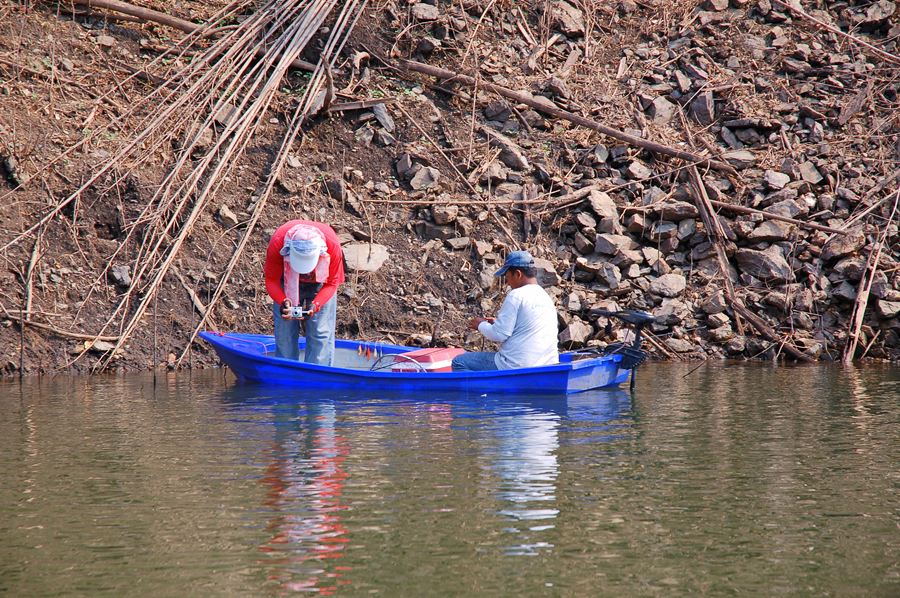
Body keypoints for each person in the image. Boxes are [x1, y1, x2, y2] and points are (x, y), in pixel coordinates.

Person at [452, 250, 559, 372]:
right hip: (547, 365)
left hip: (516, 365)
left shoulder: (516, 295)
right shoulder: (545, 296)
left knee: (459, 362)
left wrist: (480, 325)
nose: (507, 282)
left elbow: (499, 335)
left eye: (507, 277)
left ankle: (485, 390)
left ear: (518, 274)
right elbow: (527, 327)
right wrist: (497, 323)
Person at [264, 220, 345, 364]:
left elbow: (332, 283)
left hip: (321, 283)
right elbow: (271, 280)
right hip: (287, 279)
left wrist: (316, 304)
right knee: (284, 332)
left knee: (320, 333)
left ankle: (318, 375)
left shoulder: (332, 246)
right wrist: (283, 301)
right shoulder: (278, 242)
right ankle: (287, 373)